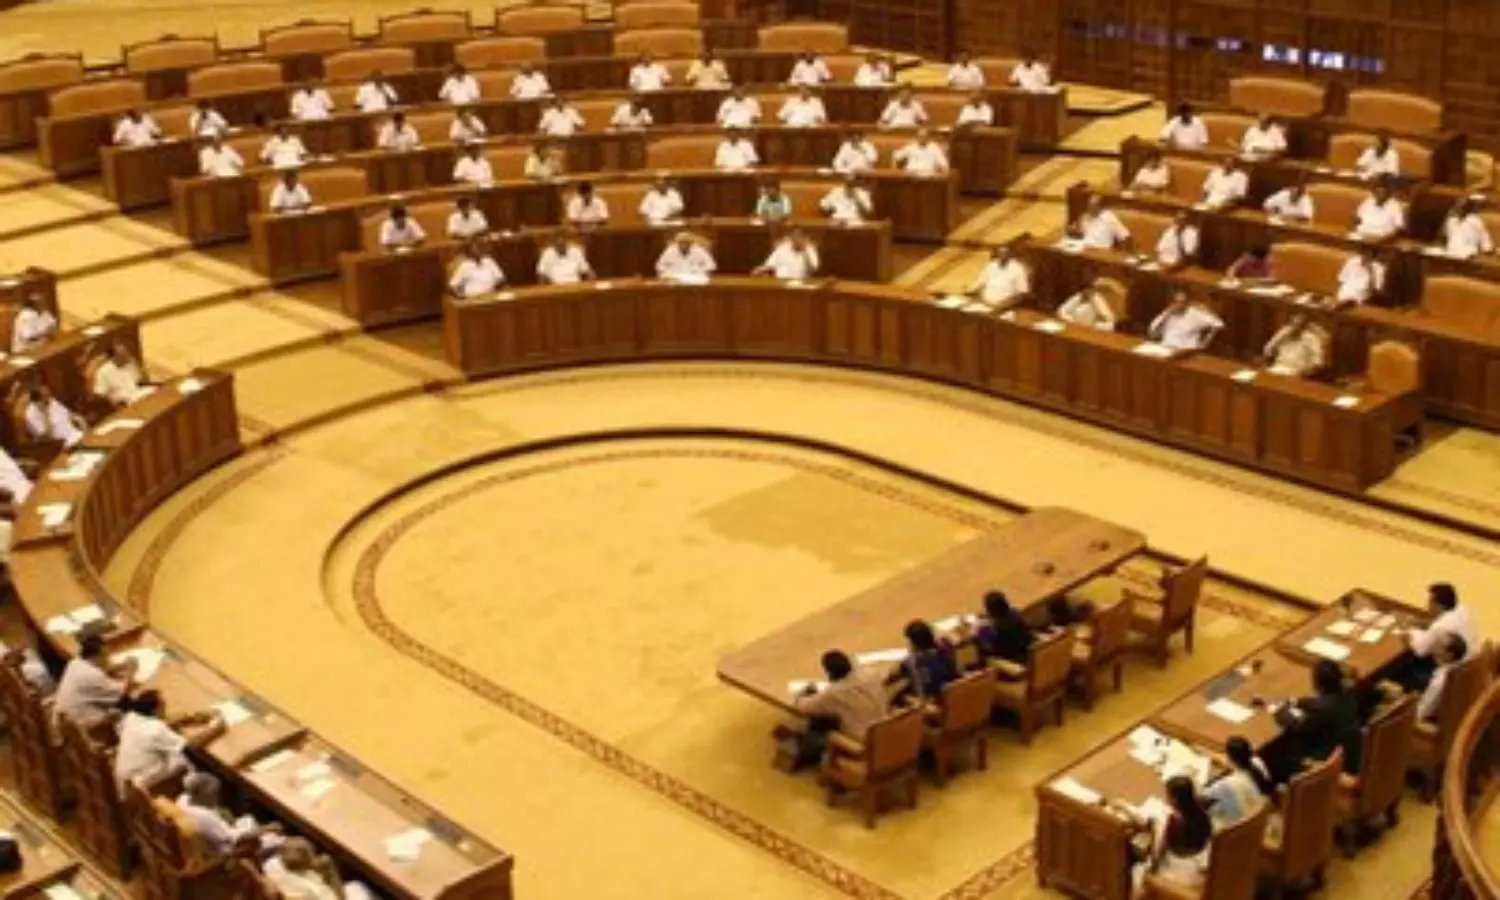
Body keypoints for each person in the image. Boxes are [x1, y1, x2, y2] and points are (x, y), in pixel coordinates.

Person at [778, 650, 893, 769]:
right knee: (833, 714)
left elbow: (803, 707)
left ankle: (803, 750)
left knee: (814, 730)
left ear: (829, 672)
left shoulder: (835, 693)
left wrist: (802, 695)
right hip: (884, 729)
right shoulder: (871, 674)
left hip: (862, 743)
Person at [114, 690, 223, 794]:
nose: (165, 708)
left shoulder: (132, 717)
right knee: (185, 759)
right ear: (155, 710)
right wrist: (215, 728)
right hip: (141, 781)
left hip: (123, 777)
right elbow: (190, 746)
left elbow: (158, 724)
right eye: (163, 705)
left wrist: (189, 719)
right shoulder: (156, 729)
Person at [1273, 658, 1362, 775]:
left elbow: (1299, 727)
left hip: (1331, 761)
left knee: (1285, 756)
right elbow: (1322, 702)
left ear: (1318, 684)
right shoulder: (1348, 693)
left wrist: (1280, 712)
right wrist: (1298, 702)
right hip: (1353, 753)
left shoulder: (1320, 710)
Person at [177, 773, 279, 859]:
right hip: (227, 850)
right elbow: (237, 838)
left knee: (247, 818)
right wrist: (267, 828)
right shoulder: (205, 817)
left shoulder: (183, 799)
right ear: (201, 796)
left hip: (216, 836)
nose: (218, 798)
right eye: (213, 794)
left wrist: (220, 813)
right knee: (277, 839)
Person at [1138, 776, 1213, 889]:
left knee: (1138, 872)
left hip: (1177, 876)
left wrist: (1150, 873)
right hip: (1199, 870)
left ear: (1174, 799)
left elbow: (1157, 855)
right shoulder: (1203, 814)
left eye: (1167, 795)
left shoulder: (1172, 822)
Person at [1403, 583, 1478, 690]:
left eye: (1430, 602)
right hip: (1470, 663)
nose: (1427, 606)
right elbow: (1439, 622)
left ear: (1439, 606)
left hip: (1452, 672)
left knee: (1405, 670)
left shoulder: (1440, 627)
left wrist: (1408, 630)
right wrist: (1417, 622)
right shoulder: (1463, 610)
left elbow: (1420, 649)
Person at [53, 633, 135, 730]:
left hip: (64, 720)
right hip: (88, 727)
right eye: (105, 655)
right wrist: (131, 672)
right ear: (96, 657)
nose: (108, 659)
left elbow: (97, 670)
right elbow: (122, 693)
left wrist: (119, 666)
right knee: (130, 707)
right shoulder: (94, 676)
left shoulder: (74, 663)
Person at [264, 837, 374, 900]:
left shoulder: (271, 864)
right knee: (359, 886)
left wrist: (310, 867)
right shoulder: (313, 890)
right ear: (309, 861)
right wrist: (332, 872)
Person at [1204, 736, 1276, 827]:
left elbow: (1202, 798)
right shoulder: (1258, 762)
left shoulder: (1226, 785)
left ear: (1230, 758)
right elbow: (1236, 763)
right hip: (1262, 820)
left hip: (1246, 826)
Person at [893, 620, 959, 700]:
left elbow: (892, 677)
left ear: (914, 642)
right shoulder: (945, 646)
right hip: (955, 690)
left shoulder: (911, 661)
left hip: (931, 701)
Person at [971, 591, 1032, 665]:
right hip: (1025, 651)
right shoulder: (1015, 613)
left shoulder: (1000, 629)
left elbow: (995, 649)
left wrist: (978, 639)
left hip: (1013, 660)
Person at [1417, 634, 1468, 723]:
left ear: (1449, 655)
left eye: (1439, 645)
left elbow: (1421, 712)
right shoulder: (1455, 670)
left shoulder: (1439, 681)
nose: (1434, 646)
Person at [1148, 292, 1222, 351]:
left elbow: (1219, 324)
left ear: (1187, 303)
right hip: (1166, 347)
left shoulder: (1196, 313)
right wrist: (1166, 316)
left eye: (1182, 302)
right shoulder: (1167, 312)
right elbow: (1152, 333)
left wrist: (1204, 343)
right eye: (1176, 302)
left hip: (1186, 350)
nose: (1179, 305)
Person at [966, 245, 1029, 310]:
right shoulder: (991, 265)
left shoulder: (1018, 269)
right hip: (984, 303)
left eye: (1005, 253)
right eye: (1000, 253)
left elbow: (1022, 294)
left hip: (1004, 307)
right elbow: (980, 283)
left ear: (1010, 254)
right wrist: (971, 293)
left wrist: (1004, 305)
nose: (1002, 255)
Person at [92, 342, 150, 406]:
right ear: (113, 357)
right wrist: (113, 402)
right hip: (124, 402)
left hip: (138, 394)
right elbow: (100, 395)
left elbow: (141, 381)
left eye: (126, 354)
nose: (127, 357)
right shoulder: (104, 371)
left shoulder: (130, 363)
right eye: (122, 355)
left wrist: (140, 369)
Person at [755, 229, 819, 279]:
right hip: (779, 282)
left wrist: (805, 251)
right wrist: (759, 270)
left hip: (801, 284)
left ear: (805, 239)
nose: (796, 240)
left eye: (799, 237)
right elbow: (769, 264)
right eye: (794, 237)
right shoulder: (782, 248)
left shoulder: (809, 250)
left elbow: (814, 268)